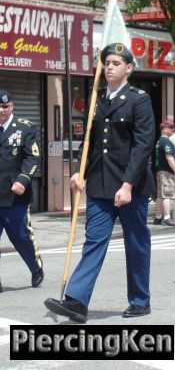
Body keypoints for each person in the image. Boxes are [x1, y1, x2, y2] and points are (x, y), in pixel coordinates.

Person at [45, 42, 155, 322]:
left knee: (136, 242)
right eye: (106, 63)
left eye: (116, 63)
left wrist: (128, 184)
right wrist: (79, 171)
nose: (109, 67)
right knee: (93, 241)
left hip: (131, 186)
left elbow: (142, 145)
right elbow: (90, 141)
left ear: (129, 68)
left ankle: (140, 300)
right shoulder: (97, 97)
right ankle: (76, 301)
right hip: (100, 183)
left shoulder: (138, 99)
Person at [0, 90, 43, 293]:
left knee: (20, 236)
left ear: (12, 107)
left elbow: (32, 157)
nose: (1, 110)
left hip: (14, 195)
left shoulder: (25, 128)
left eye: (5, 107)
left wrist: (23, 180)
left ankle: (35, 268)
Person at [153, 120, 175, 227]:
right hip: (166, 172)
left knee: (160, 195)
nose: (173, 130)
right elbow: (169, 157)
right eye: (171, 128)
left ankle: (158, 217)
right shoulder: (166, 142)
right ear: (165, 129)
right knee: (167, 195)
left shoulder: (159, 141)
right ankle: (167, 217)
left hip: (160, 171)